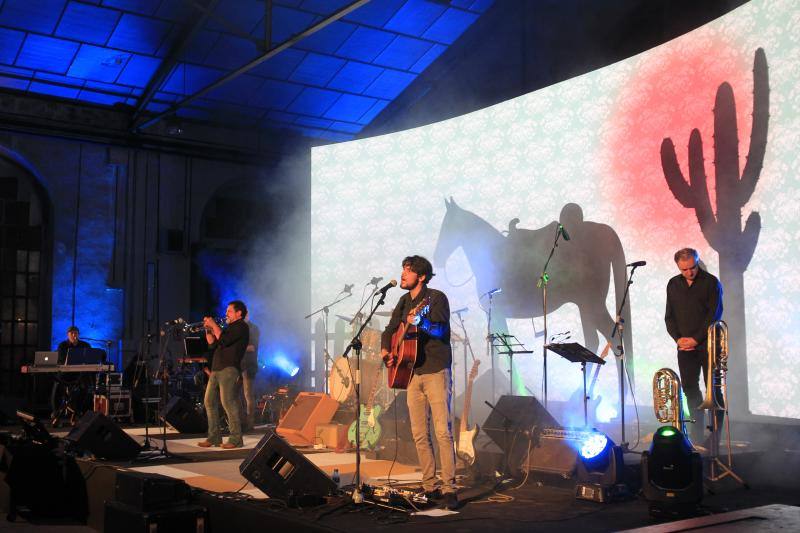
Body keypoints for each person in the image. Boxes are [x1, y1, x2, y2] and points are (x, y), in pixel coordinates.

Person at [380, 255, 458, 510]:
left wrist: (422, 321)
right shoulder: (403, 301)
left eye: (408, 270)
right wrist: (385, 351)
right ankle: (429, 485)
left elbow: (441, 332)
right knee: (418, 434)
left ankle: (449, 488)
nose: (403, 274)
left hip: (435, 370)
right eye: (402, 269)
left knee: (442, 432)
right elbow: (390, 330)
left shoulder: (435, 298)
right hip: (411, 372)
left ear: (421, 276)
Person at [664, 248, 724, 446]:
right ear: (678, 267)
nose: (689, 272)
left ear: (697, 263)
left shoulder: (711, 282)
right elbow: (669, 317)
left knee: (713, 392)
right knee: (690, 389)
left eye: (692, 267)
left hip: (707, 345)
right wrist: (678, 339)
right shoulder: (673, 284)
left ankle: (715, 437)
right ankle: (697, 435)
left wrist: (696, 339)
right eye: (685, 270)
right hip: (684, 348)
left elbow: (713, 315)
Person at [198, 300, 250, 449]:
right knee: (209, 402)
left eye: (229, 311)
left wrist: (214, 325)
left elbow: (225, 341)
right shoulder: (228, 328)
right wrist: (208, 329)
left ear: (239, 313)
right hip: (216, 368)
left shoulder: (241, 327)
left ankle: (236, 439)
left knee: (228, 402)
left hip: (229, 369)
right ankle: (214, 438)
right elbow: (213, 344)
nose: (226, 313)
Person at [241, 317, 260, 431]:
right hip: (238, 364)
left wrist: (236, 347)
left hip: (248, 365)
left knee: (248, 394)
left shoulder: (253, 328)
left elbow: (252, 347)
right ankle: (241, 420)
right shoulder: (239, 328)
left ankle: (250, 423)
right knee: (235, 395)